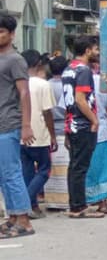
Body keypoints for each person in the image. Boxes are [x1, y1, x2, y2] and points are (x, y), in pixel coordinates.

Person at [63, 36, 104, 219]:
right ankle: (78, 207)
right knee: (80, 167)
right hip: (82, 125)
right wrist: (94, 120)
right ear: (87, 50)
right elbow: (80, 99)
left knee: (74, 166)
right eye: (96, 49)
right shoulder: (84, 71)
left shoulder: (68, 70)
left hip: (71, 125)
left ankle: (75, 204)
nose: (98, 52)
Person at [0, 17, 34, 238]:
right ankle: (12, 217)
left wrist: (26, 125)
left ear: (12, 34)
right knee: (4, 174)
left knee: (12, 172)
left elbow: (24, 92)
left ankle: (24, 220)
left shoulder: (15, 60)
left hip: (9, 123)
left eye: (1, 31)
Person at [19, 50, 56, 219]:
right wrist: (53, 135)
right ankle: (26, 202)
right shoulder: (43, 84)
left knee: (27, 172)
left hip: (20, 134)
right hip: (40, 134)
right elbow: (48, 113)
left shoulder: (18, 83)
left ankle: (32, 206)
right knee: (44, 170)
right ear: (38, 64)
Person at [85, 64, 107, 213]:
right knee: (103, 167)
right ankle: (103, 202)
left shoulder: (78, 81)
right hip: (102, 129)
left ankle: (91, 198)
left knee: (89, 167)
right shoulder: (104, 82)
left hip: (84, 129)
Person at [43, 56, 70, 210]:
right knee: (65, 168)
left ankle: (52, 201)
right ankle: (65, 201)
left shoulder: (46, 85)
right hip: (64, 129)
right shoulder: (67, 86)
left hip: (48, 129)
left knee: (51, 168)